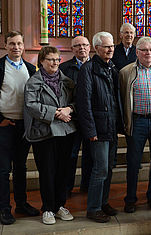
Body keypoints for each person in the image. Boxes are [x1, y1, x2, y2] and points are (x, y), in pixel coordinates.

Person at [24, 46, 76, 225]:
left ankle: (59, 205)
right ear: (41, 61)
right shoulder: (33, 82)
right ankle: (47, 208)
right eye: (51, 60)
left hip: (66, 131)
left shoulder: (67, 81)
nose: (55, 63)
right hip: (44, 133)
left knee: (63, 170)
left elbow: (76, 101)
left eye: (57, 59)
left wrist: (69, 108)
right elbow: (31, 105)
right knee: (47, 171)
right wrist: (55, 112)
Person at [119, 36, 151, 212]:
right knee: (133, 163)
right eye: (145, 50)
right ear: (137, 52)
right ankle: (130, 199)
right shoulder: (126, 71)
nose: (149, 53)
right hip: (137, 121)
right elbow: (123, 97)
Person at [76, 32, 123, 223]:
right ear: (97, 48)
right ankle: (93, 208)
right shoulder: (88, 69)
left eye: (112, 46)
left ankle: (103, 202)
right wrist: (91, 131)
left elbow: (115, 99)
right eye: (106, 46)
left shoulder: (112, 68)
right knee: (100, 169)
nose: (111, 49)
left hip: (111, 127)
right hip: (98, 128)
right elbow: (84, 103)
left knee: (109, 168)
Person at [0, 31, 39, 225]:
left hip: (24, 125)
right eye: (12, 44)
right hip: (5, 125)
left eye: (19, 44)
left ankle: (21, 204)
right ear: (5, 46)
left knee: (21, 167)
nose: (16, 47)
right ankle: (4, 209)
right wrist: (0, 119)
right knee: (3, 169)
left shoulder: (31, 69)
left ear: (24, 46)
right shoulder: (0, 67)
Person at [59, 35, 92, 197]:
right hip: (71, 119)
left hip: (91, 120)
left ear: (90, 47)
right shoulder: (64, 68)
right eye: (77, 46)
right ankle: (67, 187)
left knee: (89, 155)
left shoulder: (96, 66)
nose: (82, 48)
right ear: (72, 49)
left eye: (85, 45)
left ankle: (86, 186)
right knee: (70, 155)